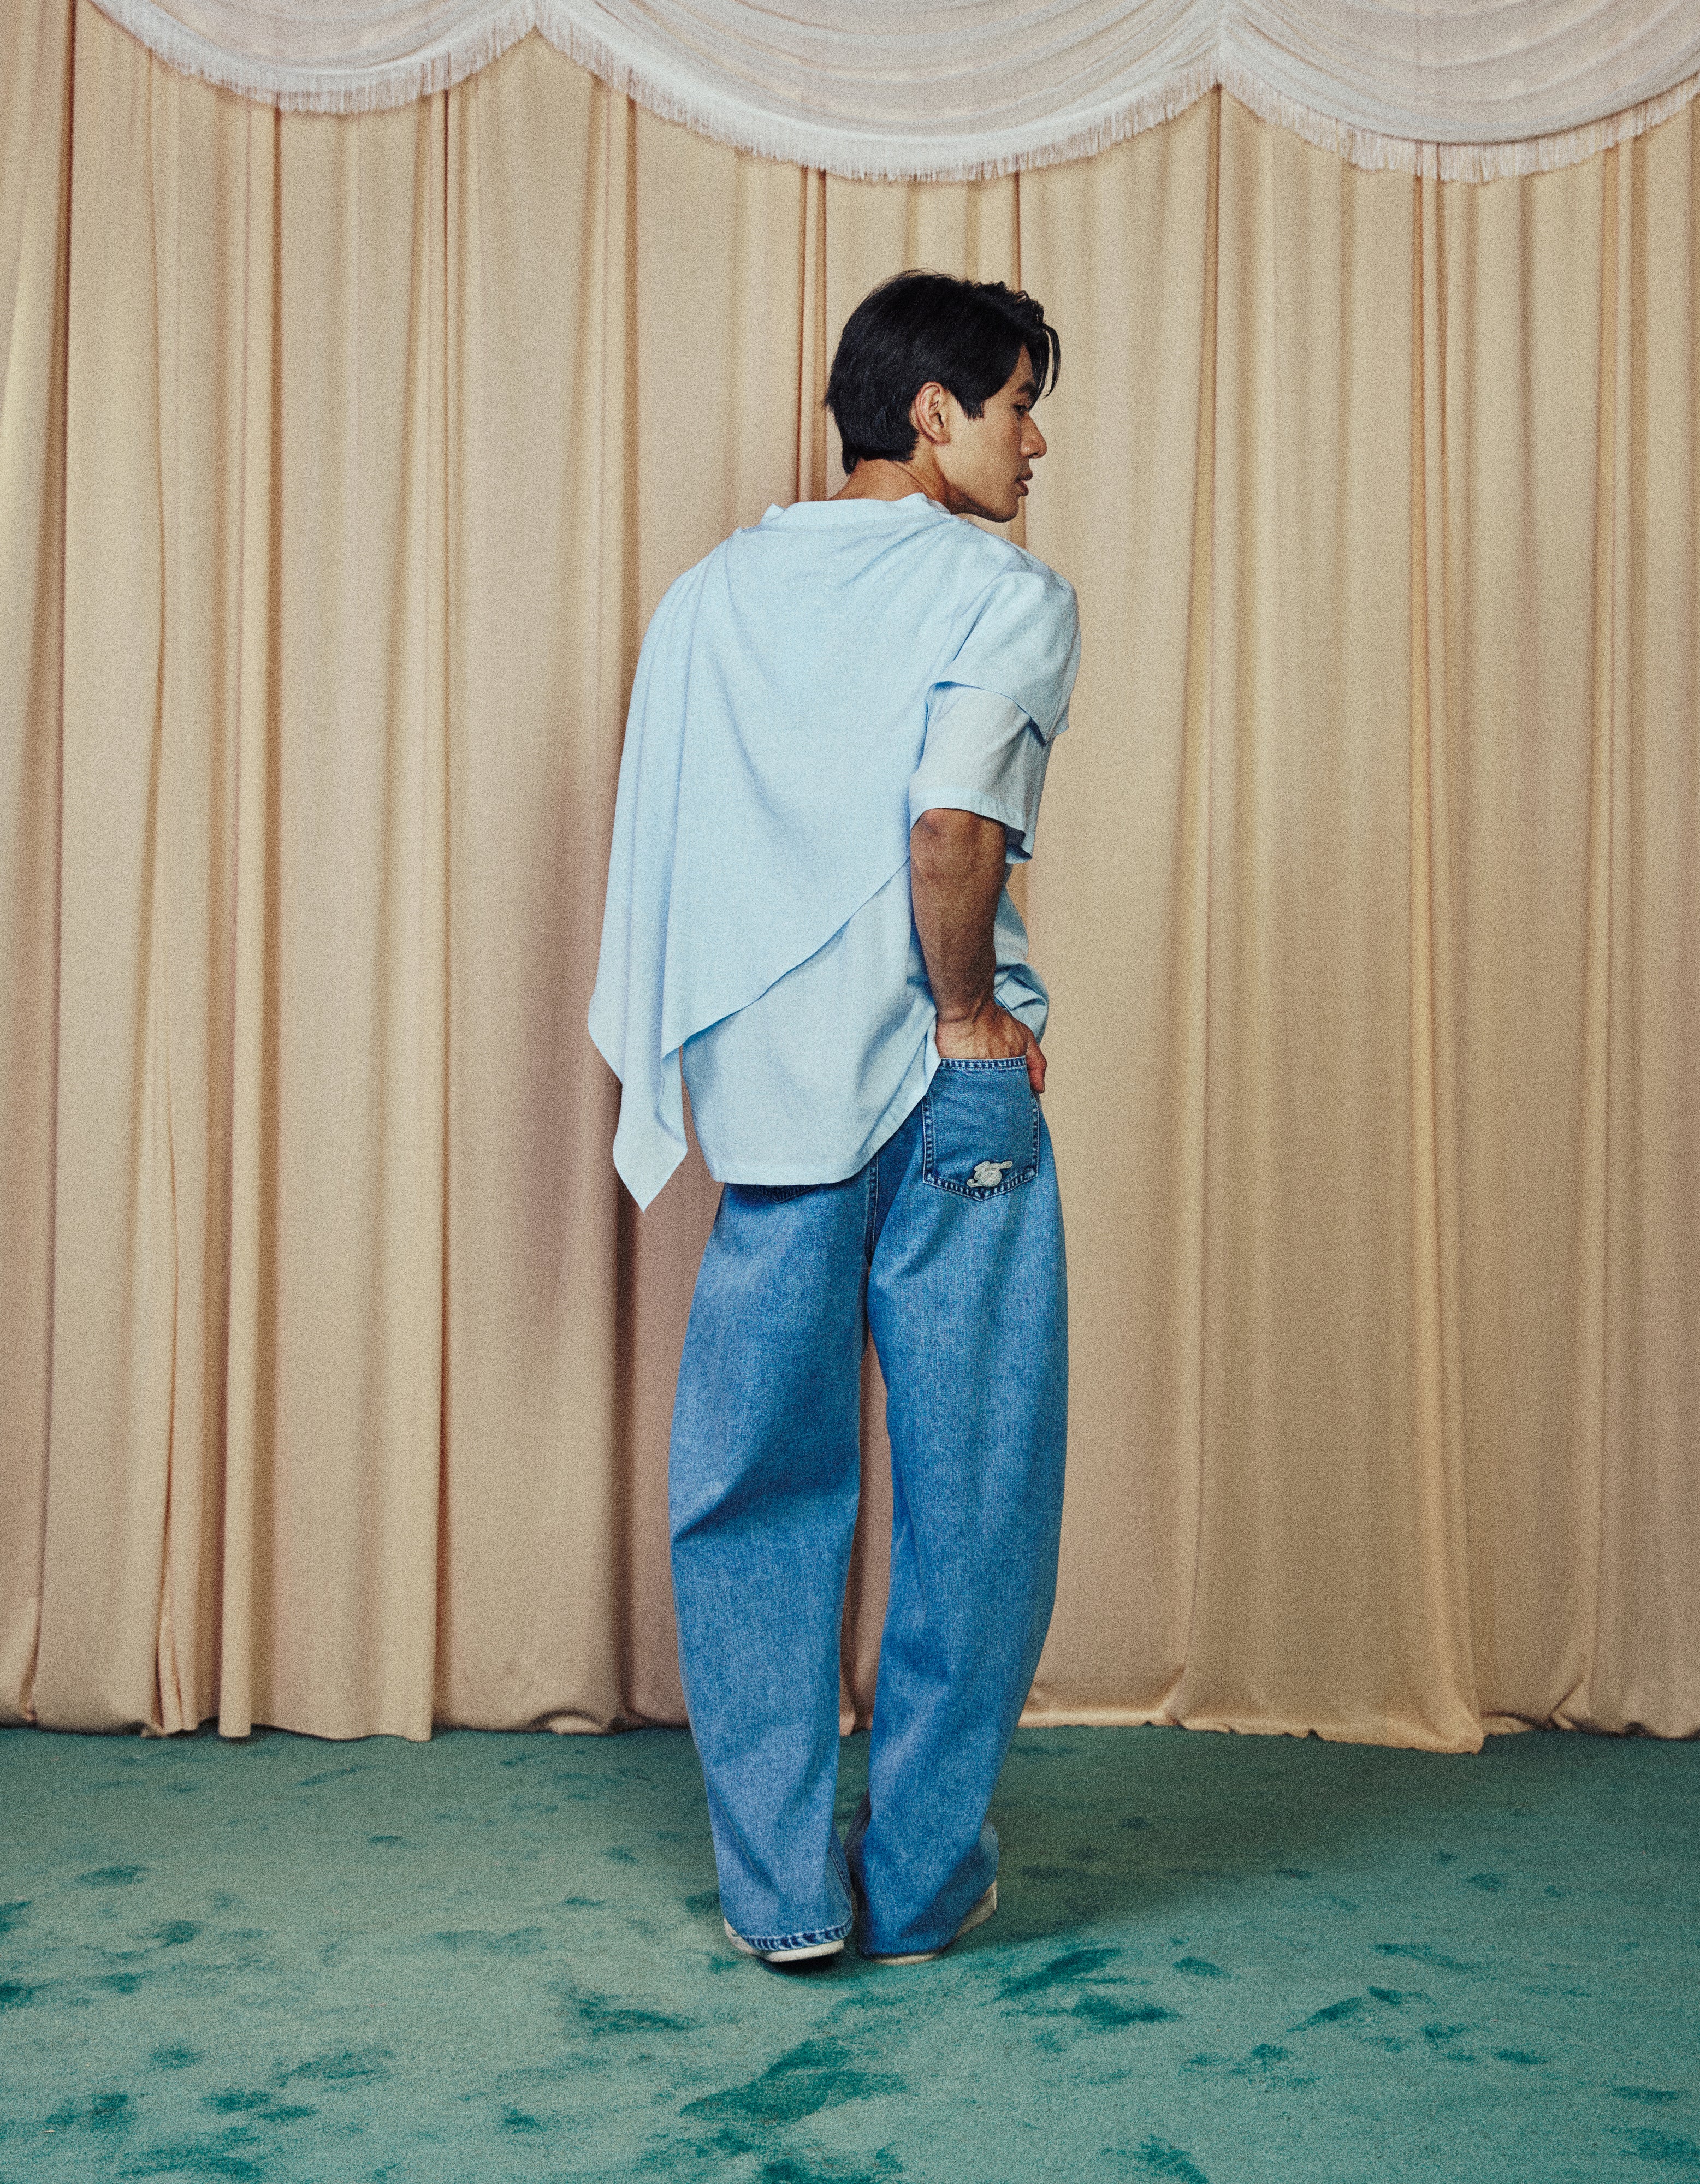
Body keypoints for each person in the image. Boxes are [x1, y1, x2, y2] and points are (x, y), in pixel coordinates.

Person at [588, 270, 1081, 1968]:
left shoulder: (707, 598)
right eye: (1020, 407)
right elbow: (956, 831)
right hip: (950, 1093)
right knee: (978, 1498)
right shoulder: (1003, 592)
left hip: (775, 1105)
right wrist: (965, 1016)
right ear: (936, 416)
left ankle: (783, 1895)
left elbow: (674, 847)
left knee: (754, 1494)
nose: (1037, 446)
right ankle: (924, 1884)